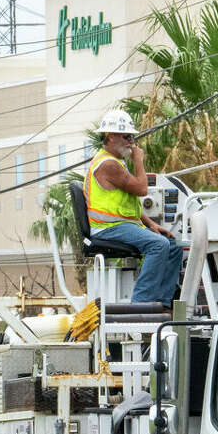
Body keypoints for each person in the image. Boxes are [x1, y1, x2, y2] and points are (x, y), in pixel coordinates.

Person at [85, 109, 184, 307]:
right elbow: (141, 189)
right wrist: (138, 160)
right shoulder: (107, 165)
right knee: (158, 245)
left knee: (173, 246)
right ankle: (142, 303)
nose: (131, 142)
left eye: (132, 137)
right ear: (110, 136)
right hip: (108, 227)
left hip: (124, 225)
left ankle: (163, 303)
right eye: (127, 137)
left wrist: (150, 225)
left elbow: (129, 203)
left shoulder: (117, 163)